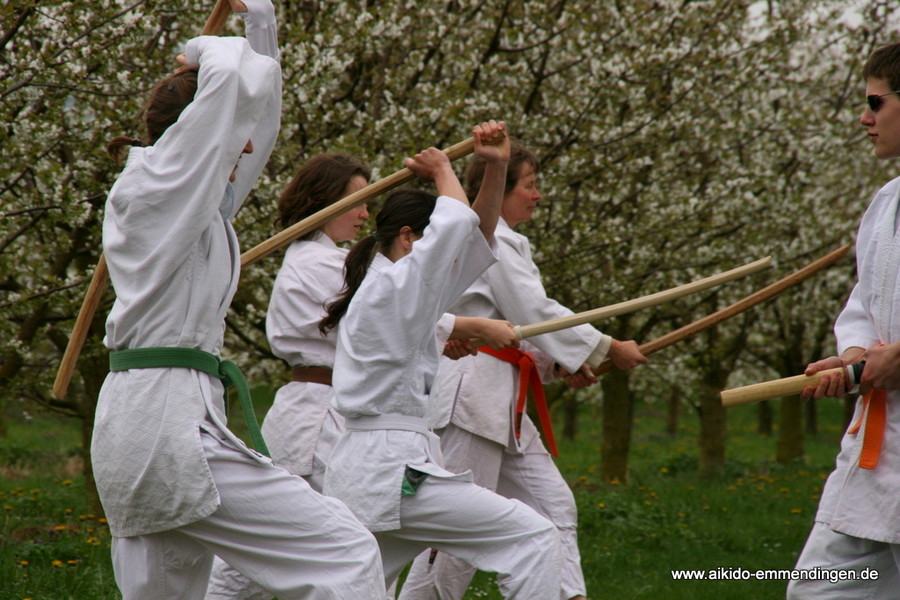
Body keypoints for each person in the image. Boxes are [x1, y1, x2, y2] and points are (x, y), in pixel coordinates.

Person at [92, 2, 385, 598]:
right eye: (231, 136)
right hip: (164, 426)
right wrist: (203, 51)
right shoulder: (157, 190)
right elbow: (227, 81)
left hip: (149, 424)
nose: (246, 150)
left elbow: (257, 123)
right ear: (196, 134)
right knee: (345, 553)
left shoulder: (190, 207)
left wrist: (261, 22)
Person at [320, 120, 564, 597]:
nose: (447, 259)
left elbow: (476, 236)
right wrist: (441, 170)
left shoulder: (398, 291)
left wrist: (494, 167)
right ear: (410, 239)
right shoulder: (396, 287)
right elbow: (456, 225)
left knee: (358, 590)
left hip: (371, 471)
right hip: (392, 469)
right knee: (534, 537)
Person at [399, 141, 647, 600]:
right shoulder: (489, 240)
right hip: (471, 399)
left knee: (555, 508)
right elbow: (532, 309)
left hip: (503, 406)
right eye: (529, 186)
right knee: (457, 530)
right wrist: (605, 347)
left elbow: (519, 328)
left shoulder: (507, 241)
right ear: (501, 189)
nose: (537, 195)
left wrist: (560, 362)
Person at [787, 41, 900, 599]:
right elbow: (865, 303)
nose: (864, 118)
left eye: (876, 103)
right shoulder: (886, 203)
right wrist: (855, 357)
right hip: (879, 455)